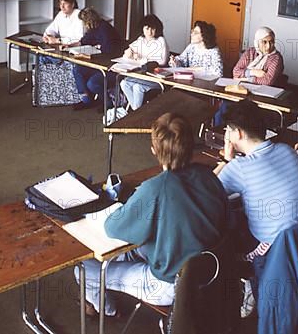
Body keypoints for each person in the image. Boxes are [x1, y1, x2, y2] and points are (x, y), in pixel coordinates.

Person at [76, 112, 229, 317]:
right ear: (191, 145)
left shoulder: (154, 188)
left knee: (85, 270)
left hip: (169, 286)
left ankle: (108, 312)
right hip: (209, 271)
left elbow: (112, 227)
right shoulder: (209, 176)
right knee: (131, 252)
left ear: (153, 150)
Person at [214, 99, 298, 258]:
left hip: (272, 249)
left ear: (238, 133)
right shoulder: (287, 150)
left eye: (228, 130)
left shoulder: (240, 167)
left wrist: (226, 160)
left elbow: (205, 191)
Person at [214, 26, 284, 126]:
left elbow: (267, 81)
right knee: (223, 109)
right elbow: (236, 72)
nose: (268, 46)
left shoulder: (276, 58)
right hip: (241, 91)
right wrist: (253, 72)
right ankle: (218, 135)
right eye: (264, 42)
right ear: (257, 42)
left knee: (239, 113)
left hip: (260, 97)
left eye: (271, 42)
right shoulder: (250, 52)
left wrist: (244, 77)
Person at [71, 7, 122, 111]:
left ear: (89, 22)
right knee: (78, 70)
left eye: (84, 23)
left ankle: (108, 102)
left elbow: (109, 53)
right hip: (99, 63)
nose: (84, 26)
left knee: (92, 83)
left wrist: (89, 56)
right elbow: (84, 41)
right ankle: (86, 99)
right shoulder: (93, 28)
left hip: (111, 66)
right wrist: (68, 45)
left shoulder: (105, 29)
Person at [120, 14, 170, 110]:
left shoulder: (160, 41)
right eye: (147, 29)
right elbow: (126, 55)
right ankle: (136, 111)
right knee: (124, 83)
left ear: (157, 29)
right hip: (141, 76)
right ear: (142, 29)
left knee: (137, 87)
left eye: (152, 29)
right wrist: (128, 53)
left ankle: (134, 113)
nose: (149, 32)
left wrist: (141, 59)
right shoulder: (141, 40)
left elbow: (162, 61)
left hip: (155, 78)